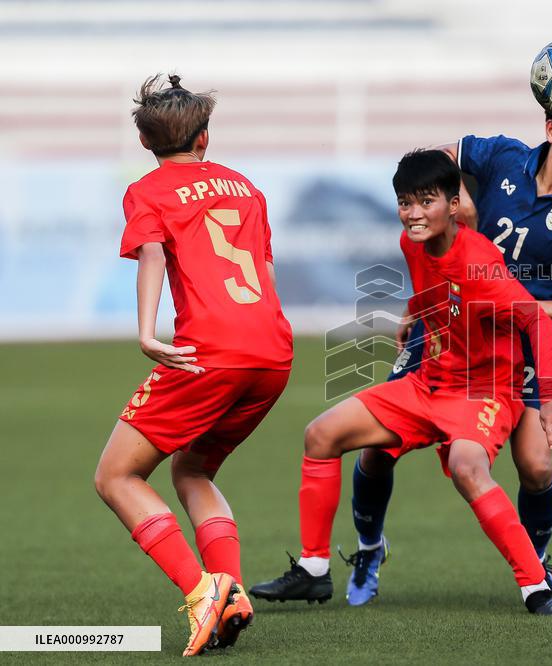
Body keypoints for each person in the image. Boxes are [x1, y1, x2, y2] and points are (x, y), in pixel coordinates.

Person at [283, 83, 552, 609]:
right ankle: (369, 548)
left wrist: (519, 308)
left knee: (536, 466)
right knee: (376, 450)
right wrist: (457, 203)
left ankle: (535, 568)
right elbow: (436, 163)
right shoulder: (504, 156)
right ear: (551, 129)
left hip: (517, 343)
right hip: (442, 328)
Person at [251, 149, 552, 615]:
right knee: (320, 434)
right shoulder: (413, 244)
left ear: (452, 203)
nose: (415, 213)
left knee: (468, 466)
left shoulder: (479, 261)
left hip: (484, 391)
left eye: (427, 201)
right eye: (406, 202)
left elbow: (536, 321)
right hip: (428, 383)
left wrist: (550, 397)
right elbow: (431, 287)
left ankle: (537, 586)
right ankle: (314, 570)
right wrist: (413, 312)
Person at [93, 74, 294, 657]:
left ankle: (202, 592)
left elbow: (151, 254)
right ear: (205, 137)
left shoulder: (148, 191)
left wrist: (146, 332)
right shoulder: (246, 189)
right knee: (194, 471)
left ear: (145, 141)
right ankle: (229, 593)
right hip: (273, 352)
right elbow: (266, 275)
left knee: (115, 476)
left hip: (210, 354)